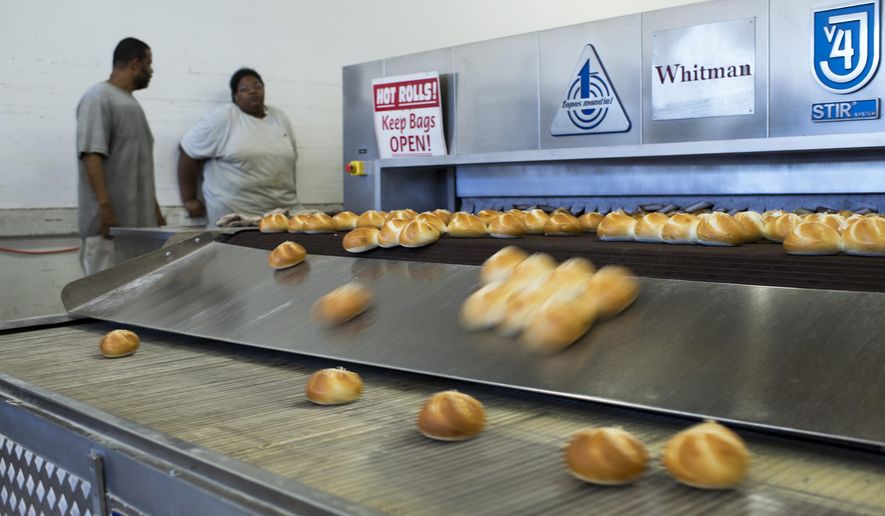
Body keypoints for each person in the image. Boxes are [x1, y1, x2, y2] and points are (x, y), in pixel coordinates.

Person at [76, 37, 165, 275]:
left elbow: (138, 164)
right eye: (149, 63)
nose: (152, 70)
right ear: (136, 63)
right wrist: (105, 208)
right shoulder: (98, 97)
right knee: (103, 302)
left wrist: (154, 210)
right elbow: (91, 155)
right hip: (109, 230)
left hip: (137, 230)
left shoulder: (131, 104)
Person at [177, 67, 298, 225]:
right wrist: (189, 198)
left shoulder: (280, 117)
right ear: (235, 96)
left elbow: (290, 159)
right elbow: (187, 150)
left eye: (257, 86)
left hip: (281, 214)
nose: (253, 92)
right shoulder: (224, 118)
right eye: (244, 89)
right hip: (235, 218)